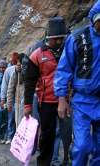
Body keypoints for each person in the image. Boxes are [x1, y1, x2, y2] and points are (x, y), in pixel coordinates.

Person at [54, 1, 100, 165]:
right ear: (93, 19)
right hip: (82, 100)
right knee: (82, 147)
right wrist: (61, 99)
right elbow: (64, 70)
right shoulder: (77, 38)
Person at [23, 16, 72, 166]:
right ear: (48, 38)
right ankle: (44, 163)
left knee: (68, 134)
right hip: (46, 103)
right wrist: (27, 106)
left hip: (67, 100)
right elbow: (29, 83)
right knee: (47, 136)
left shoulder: (69, 50)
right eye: (55, 39)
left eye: (61, 39)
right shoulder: (37, 55)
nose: (59, 42)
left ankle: (66, 161)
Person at [0, 52, 19, 144]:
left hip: (21, 99)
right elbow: (5, 85)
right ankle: (10, 137)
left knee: (19, 119)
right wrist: (3, 99)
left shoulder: (25, 68)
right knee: (11, 118)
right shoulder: (9, 70)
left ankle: (18, 139)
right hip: (11, 98)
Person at [6, 54, 23, 128]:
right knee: (19, 126)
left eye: (20, 63)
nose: (19, 64)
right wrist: (9, 103)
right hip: (19, 103)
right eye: (17, 62)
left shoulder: (30, 70)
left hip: (30, 103)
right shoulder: (15, 73)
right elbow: (10, 88)